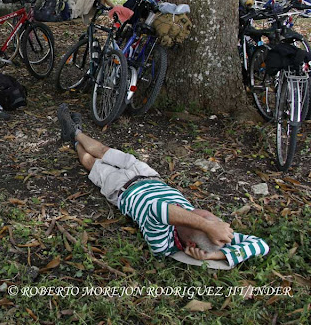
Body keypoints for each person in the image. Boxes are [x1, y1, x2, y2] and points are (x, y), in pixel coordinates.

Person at [56, 103, 270, 269]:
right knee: (103, 150)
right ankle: (75, 132)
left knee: (91, 162)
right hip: (148, 175)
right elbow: (261, 245)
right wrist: (217, 254)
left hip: (121, 187)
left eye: (204, 219)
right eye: (213, 218)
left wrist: (208, 227)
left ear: (191, 244)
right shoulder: (215, 238)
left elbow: (160, 209)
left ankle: (75, 142)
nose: (205, 213)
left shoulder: (162, 243)